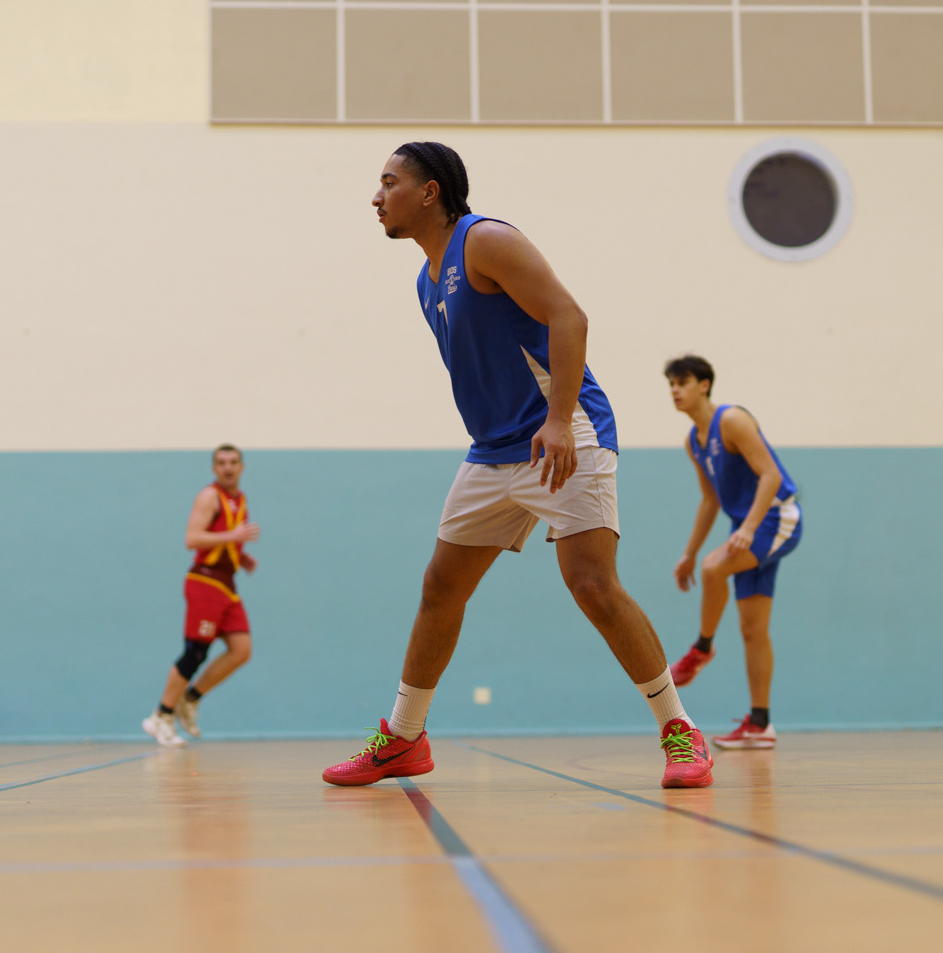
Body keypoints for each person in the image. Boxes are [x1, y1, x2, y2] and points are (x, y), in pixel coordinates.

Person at [321, 141, 713, 789]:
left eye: (389, 183)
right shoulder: (426, 280)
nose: (376, 197)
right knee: (440, 587)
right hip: (494, 450)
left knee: (592, 585)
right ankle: (404, 739)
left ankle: (680, 730)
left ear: (429, 192)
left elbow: (569, 316)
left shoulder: (486, 240)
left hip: (564, 433)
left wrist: (556, 421)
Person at [664, 356, 801, 749]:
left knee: (714, 568)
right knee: (752, 629)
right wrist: (688, 553)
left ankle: (701, 649)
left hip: (776, 518)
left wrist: (749, 527)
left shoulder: (732, 420)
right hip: (748, 528)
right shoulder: (694, 441)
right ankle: (760, 724)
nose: (675, 390)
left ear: (704, 384)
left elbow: (772, 475)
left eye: (682, 382)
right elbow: (710, 500)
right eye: (671, 384)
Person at [142, 444, 260, 747]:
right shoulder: (209, 496)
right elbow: (192, 538)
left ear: (242, 466)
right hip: (205, 581)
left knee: (241, 649)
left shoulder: (240, 499)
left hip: (227, 583)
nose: (228, 467)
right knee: (196, 651)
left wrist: (240, 555)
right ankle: (161, 715)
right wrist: (234, 537)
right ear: (214, 468)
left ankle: (190, 698)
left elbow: (221, 538)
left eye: (233, 462)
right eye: (221, 462)